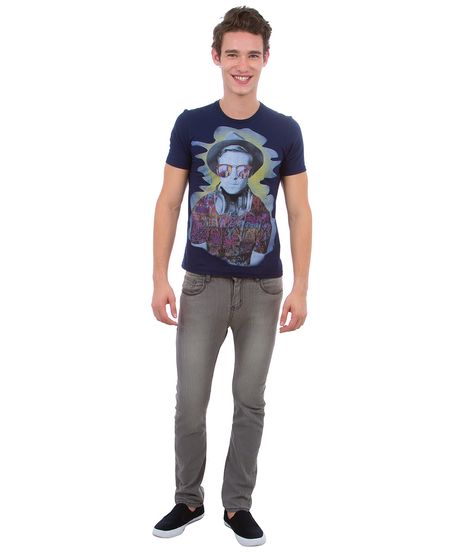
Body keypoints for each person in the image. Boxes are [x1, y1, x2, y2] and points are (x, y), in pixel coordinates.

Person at [151, 6, 312, 547]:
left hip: (264, 291)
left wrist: (301, 286)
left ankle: (237, 505)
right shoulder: (190, 124)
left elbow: (299, 212)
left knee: (250, 400)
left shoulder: (285, 130)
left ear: (266, 59)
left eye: (253, 55)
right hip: (201, 286)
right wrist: (159, 277)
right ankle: (188, 499)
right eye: (233, 54)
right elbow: (168, 201)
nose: (243, 65)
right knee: (190, 401)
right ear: (216, 57)